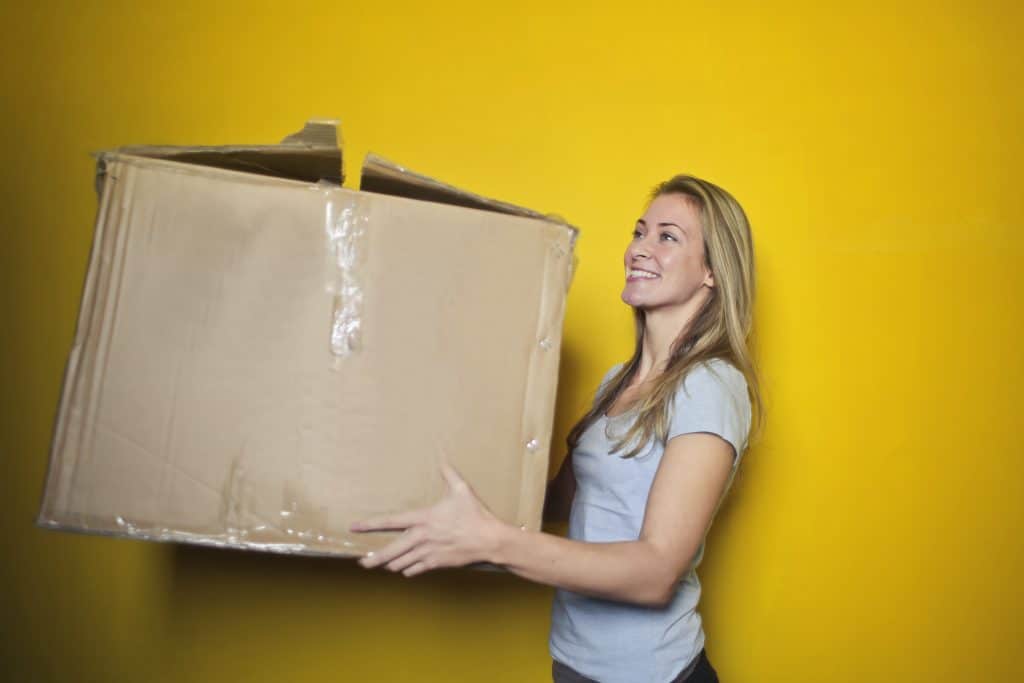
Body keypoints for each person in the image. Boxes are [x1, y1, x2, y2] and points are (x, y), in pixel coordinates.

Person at [351, 174, 763, 683]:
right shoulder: (619, 382)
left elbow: (657, 573)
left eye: (668, 236)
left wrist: (489, 542)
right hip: (574, 663)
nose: (640, 248)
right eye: (640, 232)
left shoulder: (710, 386)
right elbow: (556, 505)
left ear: (712, 273)